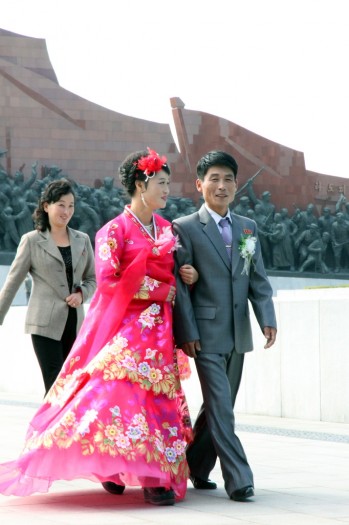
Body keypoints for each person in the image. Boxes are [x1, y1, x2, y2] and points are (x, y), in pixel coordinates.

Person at [0, 148, 196, 507]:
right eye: (162, 183)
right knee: (119, 397)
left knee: (157, 399)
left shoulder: (168, 229)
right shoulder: (113, 231)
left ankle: (154, 472)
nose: (168, 190)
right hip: (125, 328)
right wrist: (161, 289)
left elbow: (178, 270)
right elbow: (108, 280)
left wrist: (186, 277)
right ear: (142, 183)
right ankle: (116, 467)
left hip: (161, 331)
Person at [172, 150, 277, 502]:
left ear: (235, 185)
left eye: (228, 179)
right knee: (222, 408)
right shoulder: (184, 227)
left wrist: (267, 318)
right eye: (214, 179)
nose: (221, 185)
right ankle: (239, 479)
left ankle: (195, 466)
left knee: (217, 406)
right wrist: (187, 332)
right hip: (204, 335)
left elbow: (257, 279)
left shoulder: (248, 227)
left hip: (239, 333)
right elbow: (181, 290)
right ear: (199, 184)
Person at [0, 179, 96, 394]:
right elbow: (12, 282)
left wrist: (82, 294)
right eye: (61, 204)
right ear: (46, 206)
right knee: (55, 386)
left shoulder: (83, 240)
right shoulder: (32, 241)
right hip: (44, 325)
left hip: (75, 323)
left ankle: (59, 428)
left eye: (71, 205)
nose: (67, 211)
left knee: (72, 387)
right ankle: (49, 427)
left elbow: (92, 278)